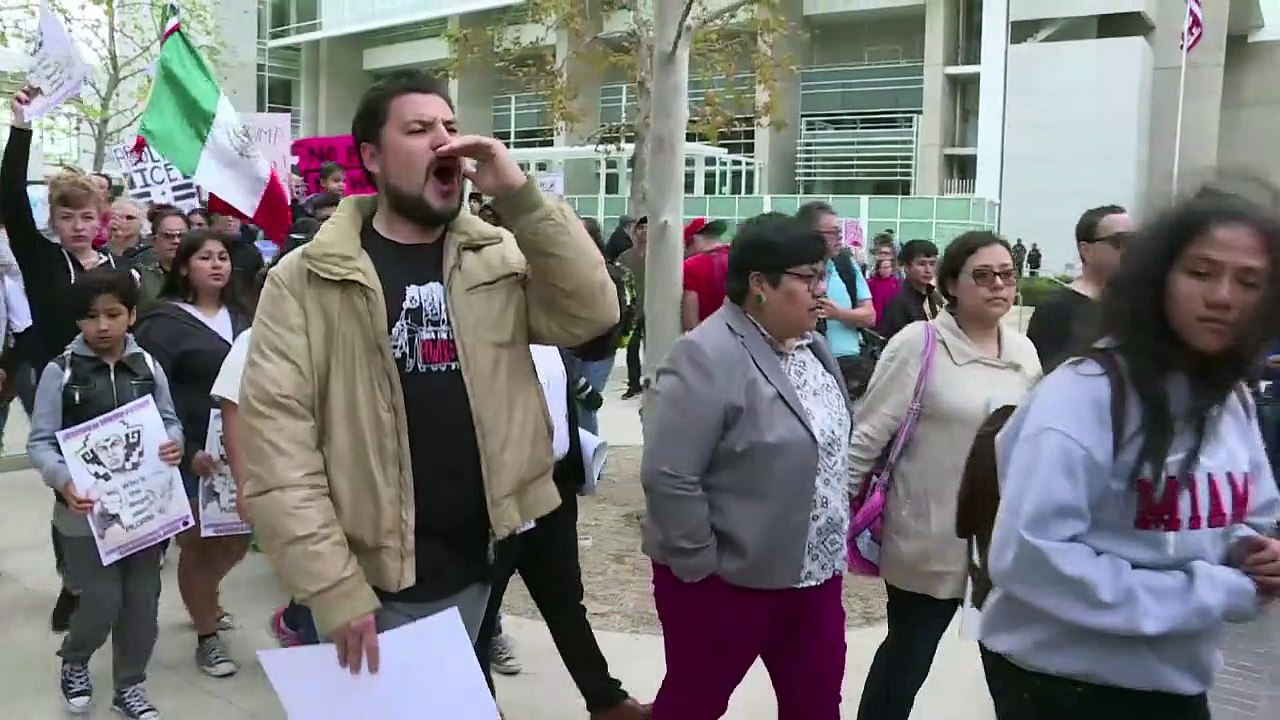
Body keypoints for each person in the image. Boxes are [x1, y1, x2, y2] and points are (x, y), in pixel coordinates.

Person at [238, 69, 618, 675]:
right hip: (372, 582)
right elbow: (278, 448)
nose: (445, 141)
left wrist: (520, 198)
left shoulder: (496, 254)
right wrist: (331, 585)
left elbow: (590, 313)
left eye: (451, 126)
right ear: (372, 157)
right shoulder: (306, 279)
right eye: (418, 130)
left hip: (481, 559)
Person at [980, 191, 1280, 720]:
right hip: (1066, 687)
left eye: (1249, 281)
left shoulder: (1229, 399)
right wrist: (1213, 592)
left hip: (1175, 685)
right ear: (1157, 278)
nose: (1223, 296)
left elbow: (1246, 514)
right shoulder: (1082, 396)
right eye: (1201, 272)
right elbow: (1031, 558)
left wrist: (1252, 552)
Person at [641, 213, 853, 719]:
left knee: (816, 704)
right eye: (808, 278)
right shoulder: (704, 355)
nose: (821, 291)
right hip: (729, 582)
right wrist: (702, 567)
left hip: (814, 576)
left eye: (823, 276)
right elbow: (670, 475)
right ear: (759, 283)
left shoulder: (813, 347)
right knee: (693, 705)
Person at [851, 231, 1040, 720]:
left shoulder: (1024, 352)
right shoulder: (920, 344)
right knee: (906, 661)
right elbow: (866, 437)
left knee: (1014, 675)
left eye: (1007, 275)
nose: (999, 285)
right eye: (984, 275)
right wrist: (832, 519)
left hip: (1000, 547)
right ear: (952, 283)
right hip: (926, 538)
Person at [27, 267, 184, 720]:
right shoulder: (61, 372)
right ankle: (75, 658)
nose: (101, 326)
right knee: (100, 602)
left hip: (146, 511)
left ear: (131, 315)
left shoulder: (147, 365)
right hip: (83, 516)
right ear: (77, 320)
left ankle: (129, 686)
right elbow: (40, 442)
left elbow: (168, 419)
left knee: (142, 606)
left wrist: (174, 442)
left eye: (113, 314)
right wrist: (63, 479)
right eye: (91, 316)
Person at [3, 86, 129, 632]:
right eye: (67, 214)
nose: (77, 224)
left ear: (101, 218)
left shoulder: (118, 271)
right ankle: (72, 581)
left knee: (108, 477)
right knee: (68, 484)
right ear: (53, 219)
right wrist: (21, 126)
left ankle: (109, 566)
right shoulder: (40, 258)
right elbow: (9, 195)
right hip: (53, 381)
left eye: (86, 215)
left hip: (109, 385)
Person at [476, 345, 651, 720]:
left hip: (555, 491)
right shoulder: (485, 337)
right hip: (499, 495)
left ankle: (606, 701)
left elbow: (599, 334)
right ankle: (478, 708)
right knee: (480, 618)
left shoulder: (554, 340)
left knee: (566, 602)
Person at [134, 231, 253, 679]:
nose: (217, 264)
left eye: (222, 256)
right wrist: (186, 450)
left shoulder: (244, 316)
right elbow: (152, 392)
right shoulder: (163, 322)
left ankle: (205, 598)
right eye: (205, 257)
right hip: (193, 450)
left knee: (238, 540)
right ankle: (207, 635)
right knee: (201, 545)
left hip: (243, 447)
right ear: (184, 267)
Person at [1025, 205, 1131, 372]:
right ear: (1086, 250)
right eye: (1120, 241)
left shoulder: (1137, 304)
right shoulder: (1055, 310)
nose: (1130, 249)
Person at [797, 202, 875, 389]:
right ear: (811, 235)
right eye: (833, 233)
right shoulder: (793, 271)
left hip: (851, 366)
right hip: (808, 364)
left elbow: (870, 316)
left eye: (839, 232)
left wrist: (839, 314)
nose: (839, 238)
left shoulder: (845, 265)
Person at [877, 239, 944, 340]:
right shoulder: (898, 302)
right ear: (907, 267)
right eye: (922, 264)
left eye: (932, 264)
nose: (928, 270)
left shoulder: (936, 298)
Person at [680, 217, 729, 331]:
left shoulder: (690, 266)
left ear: (694, 240)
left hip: (709, 337)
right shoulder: (741, 259)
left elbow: (690, 324)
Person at [136, 208, 188, 314]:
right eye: (168, 236)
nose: (176, 241)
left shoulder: (202, 273)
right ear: (154, 241)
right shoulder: (140, 277)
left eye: (181, 236)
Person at [618, 216, 647, 399]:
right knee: (632, 348)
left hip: (655, 310)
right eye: (641, 228)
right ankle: (634, 384)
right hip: (634, 310)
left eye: (648, 228)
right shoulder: (626, 256)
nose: (645, 231)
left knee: (653, 349)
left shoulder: (662, 256)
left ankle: (654, 382)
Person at [867, 258, 902, 323]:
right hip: (877, 319)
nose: (887, 270)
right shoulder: (871, 283)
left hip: (892, 319)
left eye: (889, 267)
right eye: (885, 267)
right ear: (879, 269)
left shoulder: (895, 282)